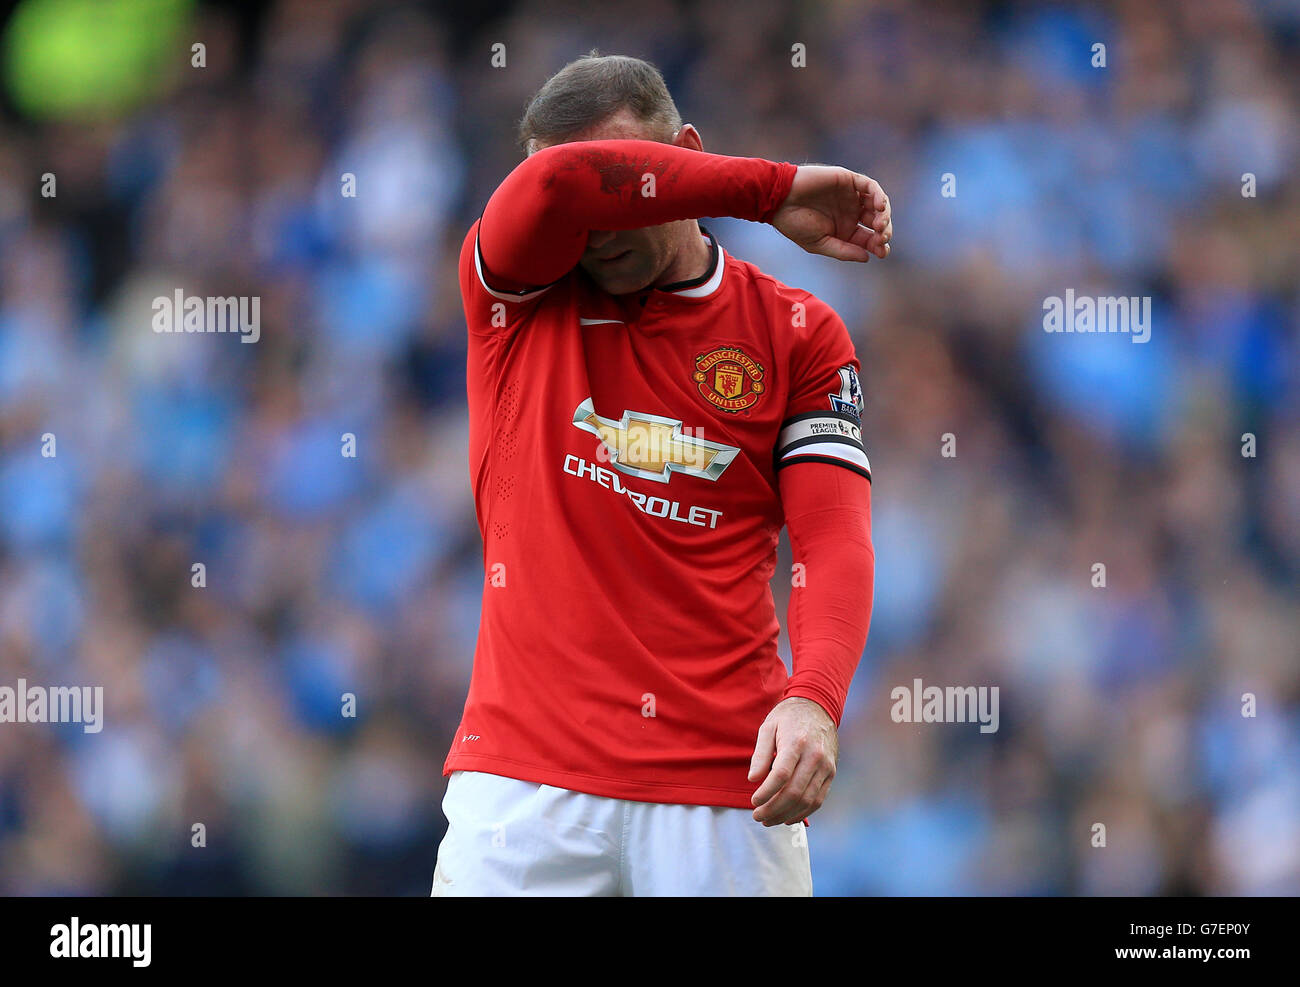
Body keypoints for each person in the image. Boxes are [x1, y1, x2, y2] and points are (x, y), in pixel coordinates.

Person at [432, 53, 888, 896]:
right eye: (587, 208)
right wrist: (768, 187)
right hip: (523, 785)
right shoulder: (516, 294)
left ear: (684, 152)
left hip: (724, 788)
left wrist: (815, 697)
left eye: (628, 195)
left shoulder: (797, 333)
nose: (594, 231)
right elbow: (563, 188)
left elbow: (833, 538)